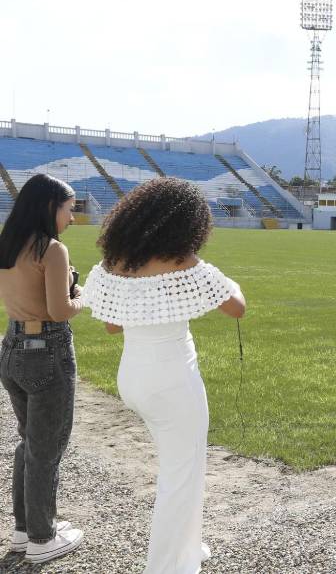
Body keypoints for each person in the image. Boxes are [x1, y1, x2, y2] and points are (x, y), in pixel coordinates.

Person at [81, 177, 246, 573]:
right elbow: (236, 308)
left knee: (181, 468)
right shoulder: (184, 262)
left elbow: (112, 327)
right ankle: (168, 566)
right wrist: (233, 282)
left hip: (133, 377)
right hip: (173, 381)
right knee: (182, 474)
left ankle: (187, 547)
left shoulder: (114, 263)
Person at [0, 173, 85, 564]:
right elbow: (59, 310)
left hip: (12, 347)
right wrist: (81, 297)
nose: (72, 217)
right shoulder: (51, 249)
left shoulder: (9, 243)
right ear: (51, 206)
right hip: (46, 350)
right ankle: (41, 537)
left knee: (28, 442)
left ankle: (23, 532)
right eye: (69, 209)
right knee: (46, 449)